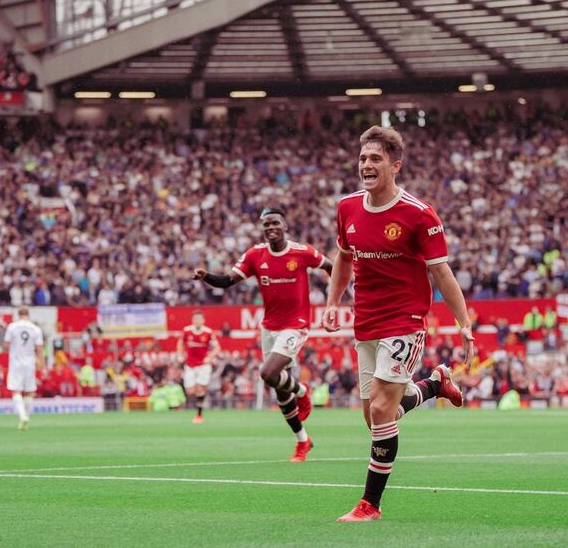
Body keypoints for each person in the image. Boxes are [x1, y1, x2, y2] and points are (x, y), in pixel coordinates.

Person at [324, 126, 473, 522]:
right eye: (362, 159)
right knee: (374, 417)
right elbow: (342, 257)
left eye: (375, 159)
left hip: (405, 320)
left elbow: (442, 274)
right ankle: (433, 385)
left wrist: (464, 324)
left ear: (395, 165)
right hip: (365, 322)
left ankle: (369, 505)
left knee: (382, 407)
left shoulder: (418, 214)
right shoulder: (347, 208)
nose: (366, 165)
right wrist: (331, 301)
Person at [193, 207, 333, 461]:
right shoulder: (255, 255)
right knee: (278, 389)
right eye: (266, 225)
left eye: (275, 223)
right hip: (269, 327)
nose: (271, 228)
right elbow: (227, 281)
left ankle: (302, 391)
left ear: (285, 226)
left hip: (296, 324)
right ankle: (303, 441)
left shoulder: (302, 252)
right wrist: (207, 277)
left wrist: (334, 302)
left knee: (268, 373)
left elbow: (331, 266)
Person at [3, 307, 45, 431]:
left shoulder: (12, 327)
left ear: (19, 315)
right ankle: (26, 416)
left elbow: (6, 345)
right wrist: (42, 364)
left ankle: (22, 416)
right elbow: (40, 349)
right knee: (29, 391)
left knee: (16, 391)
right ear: (28, 315)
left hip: (16, 362)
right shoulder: (36, 329)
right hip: (30, 362)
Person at [176, 311, 219, 424]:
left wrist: (209, 357)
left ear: (203, 320)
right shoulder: (187, 331)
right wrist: (180, 354)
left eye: (200, 319)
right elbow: (180, 343)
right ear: (192, 320)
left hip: (203, 365)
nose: (197, 321)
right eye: (195, 319)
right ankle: (198, 400)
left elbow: (217, 348)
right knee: (190, 391)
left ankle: (199, 414)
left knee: (200, 388)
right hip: (190, 365)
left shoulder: (208, 332)